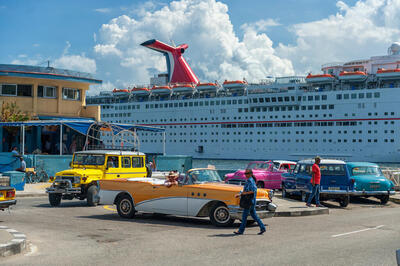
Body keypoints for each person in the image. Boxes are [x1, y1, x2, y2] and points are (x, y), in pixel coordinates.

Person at [234, 169, 266, 235]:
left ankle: (241, 231)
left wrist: (242, 194)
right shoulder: (250, 180)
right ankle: (262, 228)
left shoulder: (250, 181)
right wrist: (240, 194)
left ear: (251, 174)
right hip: (251, 201)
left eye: (247, 173)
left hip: (249, 201)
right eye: (245, 173)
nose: (246, 175)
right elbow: (247, 190)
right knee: (254, 216)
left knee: (244, 217)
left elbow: (253, 191)